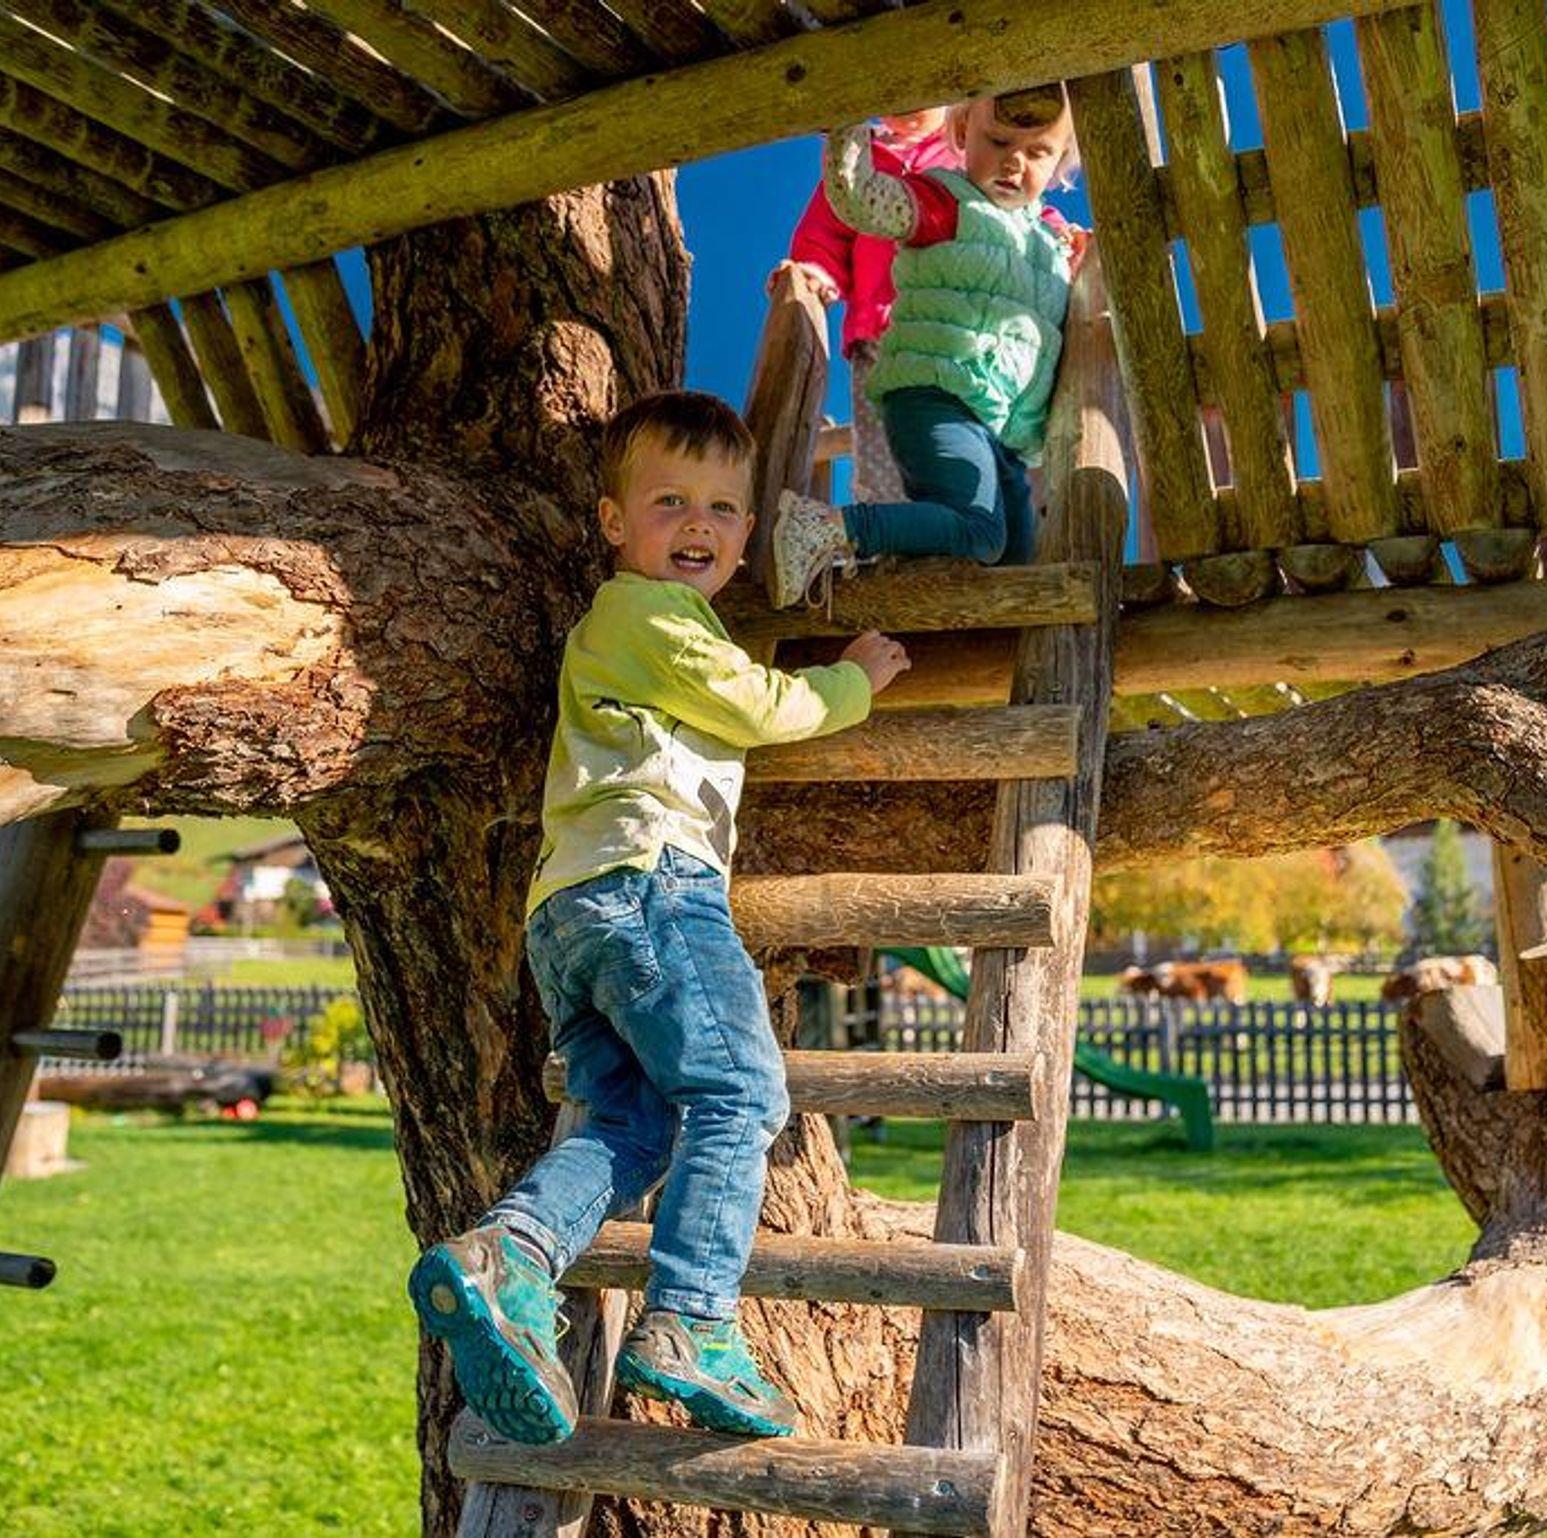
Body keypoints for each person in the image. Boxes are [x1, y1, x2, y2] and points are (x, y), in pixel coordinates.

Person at [408, 391, 909, 1444]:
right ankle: (691, 1321)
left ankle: (507, 1258)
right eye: (669, 501)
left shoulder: (642, 627)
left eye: (722, 509)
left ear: (746, 533)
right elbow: (758, 705)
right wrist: (853, 680)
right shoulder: (649, 616)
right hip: (652, 886)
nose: (697, 524)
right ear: (612, 521)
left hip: (572, 912)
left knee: (634, 1127)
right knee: (740, 1091)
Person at [769, 84, 1087, 609]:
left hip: (999, 413)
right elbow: (856, 206)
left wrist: (1074, 249)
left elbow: (1048, 267)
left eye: (1037, 152)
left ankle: (943, 588)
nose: (1015, 162)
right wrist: (845, 120)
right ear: (964, 131)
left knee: (1013, 550)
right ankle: (838, 532)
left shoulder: (1037, 226)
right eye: (1000, 143)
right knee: (955, 516)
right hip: (924, 373)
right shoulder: (943, 195)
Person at [777, 105, 960, 503]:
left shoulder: (964, 150)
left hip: (951, 332)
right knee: (882, 445)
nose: (907, 101)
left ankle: (955, 520)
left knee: (952, 441)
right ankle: (885, 523)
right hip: (880, 332)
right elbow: (826, 231)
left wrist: (1059, 238)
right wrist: (817, 270)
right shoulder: (861, 156)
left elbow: (1015, 207)